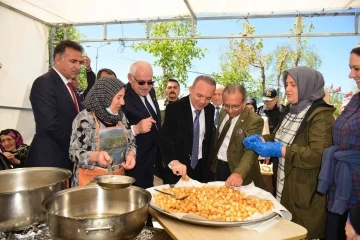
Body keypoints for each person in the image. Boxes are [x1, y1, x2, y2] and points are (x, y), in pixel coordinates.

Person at [243, 66, 335, 239]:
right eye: (286, 84)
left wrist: (281, 150)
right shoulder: (289, 111)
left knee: (301, 233)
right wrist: (261, 139)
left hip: (305, 194)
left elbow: (318, 154)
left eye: (294, 84)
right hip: (283, 187)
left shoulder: (321, 115)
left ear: (307, 85)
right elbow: (279, 137)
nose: (288, 89)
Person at [317, 44, 360, 240]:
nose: (351, 75)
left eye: (357, 69)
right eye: (351, 68)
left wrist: (358, 217)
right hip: (341, 190)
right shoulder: (356, 100)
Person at [26, 40, 84, 171]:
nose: (78, 67)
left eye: (80, 62)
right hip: (49, 161)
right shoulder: (44, 83)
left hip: (66, 158)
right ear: (58, 60)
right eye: (73, 61)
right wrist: (79, 145)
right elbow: (50, 124)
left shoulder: (70, 86)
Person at [69, 77, 136, 187]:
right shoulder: (85, 118)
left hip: (117, 180)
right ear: (105, 97)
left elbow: (131, 143)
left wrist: (131, 155)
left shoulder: (121, 117)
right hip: (89, 183)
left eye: (123, 97)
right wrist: (96, 156)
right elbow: (74, 153)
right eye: (119, 97)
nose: (123, 102)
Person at [159, 75, 216, 184]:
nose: (203, 101)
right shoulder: (174, 109)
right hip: (177, 170)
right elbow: (164, 140)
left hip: (201, 169)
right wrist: (173, 161)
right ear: (191, 89)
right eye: (199, 95)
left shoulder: (210, 109)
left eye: (208, 98)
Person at [210, 84, 265, 188]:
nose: (230, 110)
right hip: (217, 168)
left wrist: (239, 173)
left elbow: (251, 151)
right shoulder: (222, 111)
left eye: (235, 106)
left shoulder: (254, 120)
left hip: (237, 170)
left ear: (244, 101)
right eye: (226, 105)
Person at [122, 61, 161, 189]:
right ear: (130, 78)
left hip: (152, 160)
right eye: (141, 82)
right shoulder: (122, 97)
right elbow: (113, 132)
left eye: (150, 82)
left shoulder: (152, 92)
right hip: (134, 162)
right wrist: (135, 129)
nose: (146, 86)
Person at [257, 88, 285, 196]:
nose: (267, 103)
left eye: (270, 100)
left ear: (276, 99)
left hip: (278, 149)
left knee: (276, 178)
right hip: (264, 150)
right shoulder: (260, 111)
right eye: (265, 100)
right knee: (264, 178)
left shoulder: (283, 111)